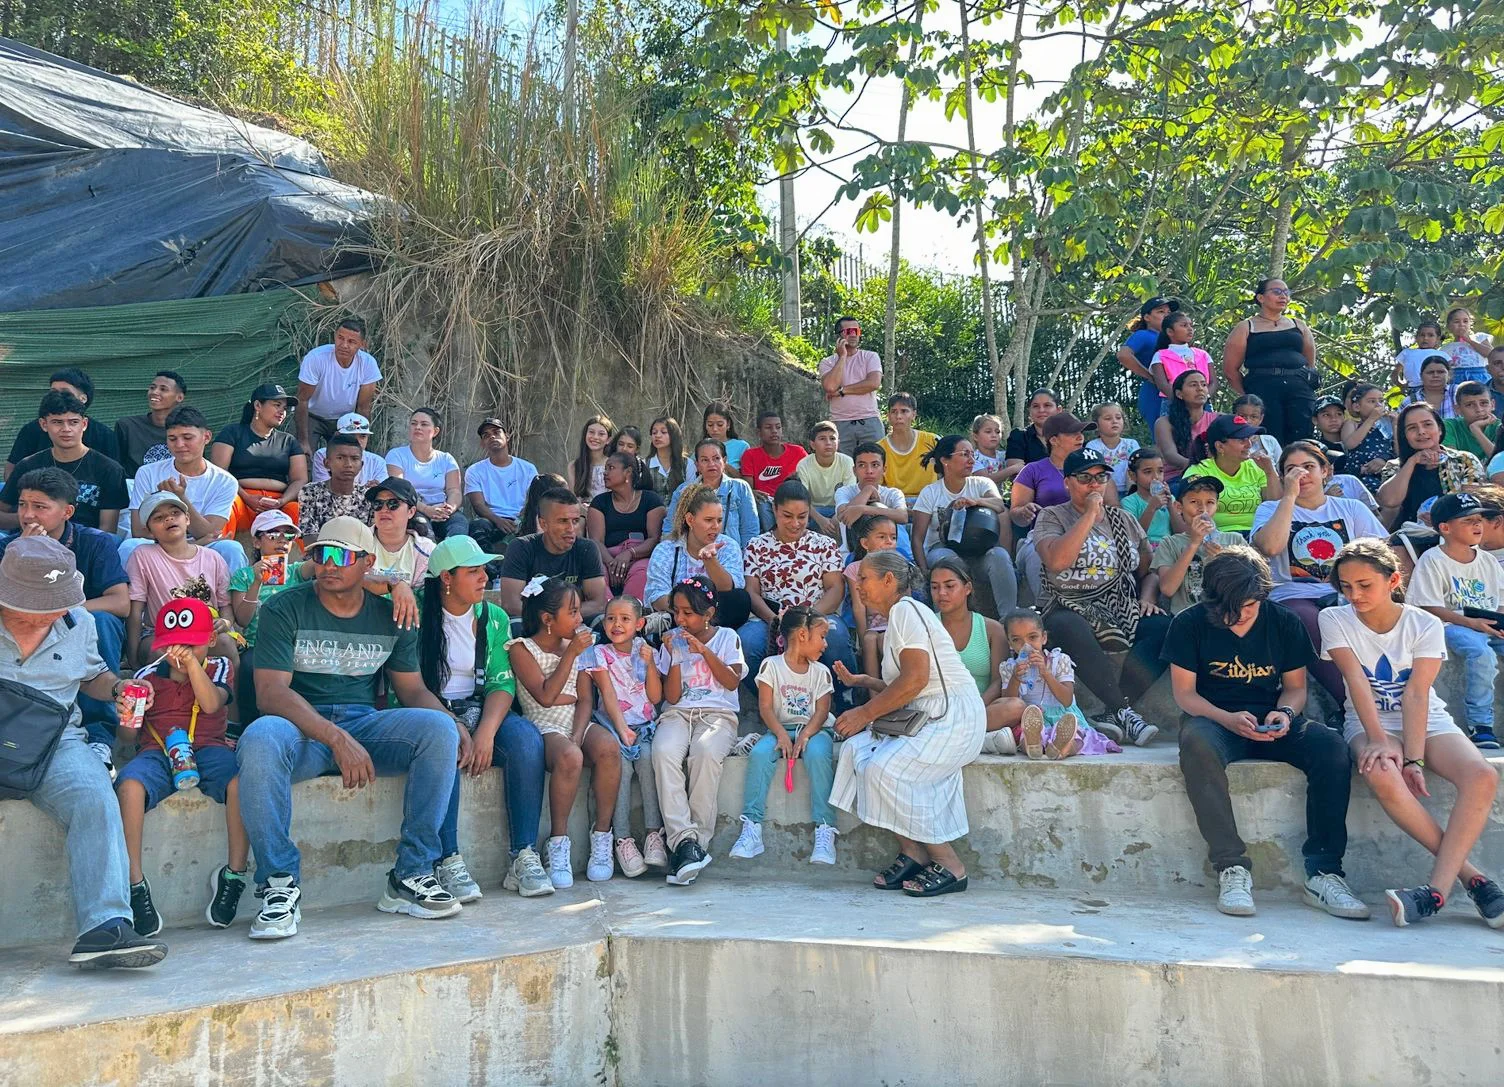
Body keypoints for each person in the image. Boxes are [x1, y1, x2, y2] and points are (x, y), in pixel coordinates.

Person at [236, 517, 466, 939]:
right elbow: (270, 693)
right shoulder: (284, 607)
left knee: (438, 730)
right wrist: (335, 738)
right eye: (321, 554)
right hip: (300, 727)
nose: (328, 564)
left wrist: (452, 722)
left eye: (341, 555)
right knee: (259, 737)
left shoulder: (393, 614)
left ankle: (410, 875)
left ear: (367, 562)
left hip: (364, 724)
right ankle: (279, 885)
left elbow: (412, 690)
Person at [1165, 546, 1369, 920]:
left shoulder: (1283, 621)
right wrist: (1226, 718)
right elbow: (1185, 695)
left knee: (1330, 747)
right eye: (1232, 608)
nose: (1242, 616)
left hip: (1271, 718)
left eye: (1250, 606)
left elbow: (1295, 688)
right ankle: (1232, 867)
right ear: (1210, 599)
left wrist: (1286, 713)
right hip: (1212, 718)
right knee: (1195, 744)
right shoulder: (1189, 623)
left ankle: (1324, 873)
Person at [0, 536, 166, 968]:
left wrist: (117, 688)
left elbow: (91, 675)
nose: (54, 613)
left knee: (95, 795)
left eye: (57, 603)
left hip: (54, 738)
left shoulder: (78, 621)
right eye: (40, 606)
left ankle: (105, 926)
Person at [1320, 539, 1504, 928]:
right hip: (1368, 721)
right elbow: (1355, 681)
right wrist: (1377, 739)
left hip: (1427, 719)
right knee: (1382, 773)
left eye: (1365, 585)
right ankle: (1473, 878)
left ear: (1393, 580)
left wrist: (1415, 759)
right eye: (1347, 586)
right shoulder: (1334, 619)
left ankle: (1435, 890)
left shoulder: (1425, 623)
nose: (1354, 595)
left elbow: (1417, 693)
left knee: (1483, 775)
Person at [829, 550, 986, 897]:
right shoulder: (899, 616)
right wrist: (865, 683)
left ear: (888, 580)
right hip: (930, 713)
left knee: (884, 768)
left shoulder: (905, 610)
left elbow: (916, 680)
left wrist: (863, 714)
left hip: (954, 719)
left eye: (865, 578)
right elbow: (910, 686)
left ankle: (950, 865)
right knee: (857, 753)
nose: (859, 585)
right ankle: (913, 851)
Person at [418, 536, 552, 900]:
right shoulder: (415, 611)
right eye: (473, 571)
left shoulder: (492, 617)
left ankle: (523, 854)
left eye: (484, 570)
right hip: (430, 711)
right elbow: (408, 687)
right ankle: (447, 859)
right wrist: (453, 724)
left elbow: (501, 682)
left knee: (526, 741)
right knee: (442, 744)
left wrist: (486, 734)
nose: (484, 578)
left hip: (480, 707)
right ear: (446, 578)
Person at [116, 597, 247, 936]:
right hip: (158, 752)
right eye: (174, 644)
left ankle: (234, 874)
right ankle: (134, 883)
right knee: (129, 785)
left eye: (191, 643)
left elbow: (210, 702)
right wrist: (133, 705)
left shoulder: (218, 668)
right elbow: (128, 738)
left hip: (206, 748)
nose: (180, 651)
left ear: (209, 641)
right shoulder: (147, 674)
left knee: (240, 782)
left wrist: (192, 667)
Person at [1032, 448, 1164, 745]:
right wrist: (1090, 515)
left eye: (1100, 477)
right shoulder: (1051, 516)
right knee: (1068, 627)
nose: (1094, 485)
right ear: (1068, 483)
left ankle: (1112, 711)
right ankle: (1124, 711)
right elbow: (1056, 562)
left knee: (1163, 628)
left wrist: (1146, 597)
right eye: (1084, 478)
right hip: (1068, 602)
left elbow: (1146, 567)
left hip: (1119, 603)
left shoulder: (1124, 519)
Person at [0, 468, 130, 760]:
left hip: (78, 628)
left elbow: (120, 603)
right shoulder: (7, 546)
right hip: (22, 633)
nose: (28, 515)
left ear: (67, 511)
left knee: (101, 621)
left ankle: (99, 735)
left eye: (40, 507)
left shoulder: (96, 542)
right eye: (23, 505)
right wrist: (24, 550)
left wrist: (56, 609)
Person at [1251, 441, 1387, 710]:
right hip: (1294, 595)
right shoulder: (1270, 509)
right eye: (1291, 469)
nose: (1301, 474)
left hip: (1347, 591)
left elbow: (1380, 553)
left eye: (1309, 467)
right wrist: (1288, 497)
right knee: (1311, 622)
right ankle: (1353, 706)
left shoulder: (1351, 508)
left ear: (1325, 471)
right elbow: (1269, 547)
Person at [507, 577, 622, 888]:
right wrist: (570, 656)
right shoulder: (521, 648)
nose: (580, 618)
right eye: (572, 612)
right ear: (548, 619)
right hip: (541, 725)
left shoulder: (576, 646)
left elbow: (584, 699)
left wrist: (578, 732)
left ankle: (602, 837)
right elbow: (544, 697)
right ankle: (557, 843)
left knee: (609, 748)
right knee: (570, 757)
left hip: (574, 723)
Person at [653, 576, 746, 886]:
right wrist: (678, 655)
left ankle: (697, 844)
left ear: (708, 613)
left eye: (688, 613)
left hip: (718, 715)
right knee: (664, 751)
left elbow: (732, 682)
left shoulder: (727, 636)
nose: (680, 620)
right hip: (678, 714)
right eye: (676, 612)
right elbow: (672, 697)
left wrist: (703, 650)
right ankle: (684, 841)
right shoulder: (673, 641)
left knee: (705, 753)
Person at [729, 606, 839, 865]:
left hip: (814, 729)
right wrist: (780, 734)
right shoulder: (771, 666)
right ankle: (752, 828)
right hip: (779, 729)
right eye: (821, 636)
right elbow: (765, 708)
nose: (825, 644)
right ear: (802, 635)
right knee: (759, 754)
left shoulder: (820, 672)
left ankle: (825, 829)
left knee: (818, 754)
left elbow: (822, 711)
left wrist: (805, 737)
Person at [574, 595, 667, 878]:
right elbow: (609, 695)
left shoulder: (644, 649)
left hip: (646, 726)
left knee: (650, 759)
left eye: (625, 619)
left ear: (639, 624)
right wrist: (622, 729)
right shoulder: (599, 654)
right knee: (621, 769)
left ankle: (654, 835)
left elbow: (655, 696)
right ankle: (623, 839)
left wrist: (650, 665)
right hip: (614, 726)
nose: (617, 624)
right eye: (611, 618)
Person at [1405, 492, 1504, 751]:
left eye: (1480, 519)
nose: (1477, 525)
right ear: (1445, 528)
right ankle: (1481, 725)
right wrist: (1472, 624)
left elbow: (1500, 600)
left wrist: (1499, 622)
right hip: (1451, 626)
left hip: (1487, 625)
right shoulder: (1433, 559)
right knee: (1481, 654)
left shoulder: (1489, 561)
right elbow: (1429, 606)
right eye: (1468, 520)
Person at [741, 480, 853, 686]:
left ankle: (842, 702)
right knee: (747, 643)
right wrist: (776, 621)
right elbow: (752, 592)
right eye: (787, 516)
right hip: (770, 618)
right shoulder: (756, 546)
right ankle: (767, 703)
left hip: (817, 615)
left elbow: (836, 589)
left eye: (802, 516)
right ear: (774, 510)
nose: (795, 523)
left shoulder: (824, 544)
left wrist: (807, 621)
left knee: (835, 640)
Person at [125, 406, 247, 575]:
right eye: (172, 439)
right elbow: (138, 530)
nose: (179, 445)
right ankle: (125, 600)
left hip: (202, 547)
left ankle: (237, 601)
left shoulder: (225, 481)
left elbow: (210, 533)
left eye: (187, 437)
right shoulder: (148, 472)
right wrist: (193, 542)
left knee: (231, 549)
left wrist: (180, 498)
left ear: (206, 437)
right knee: (130, 546)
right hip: (159, 545)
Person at [911, 435, 1017, 617]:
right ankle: (946, 623)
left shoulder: (982, 483)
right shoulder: (930, 493)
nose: (971, 460)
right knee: (946, 560)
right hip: (943, 549)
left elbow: (999, 505)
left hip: (981, 552)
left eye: (972, 454)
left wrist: (975, 501)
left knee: (1000, 555)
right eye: (964, 454)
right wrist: (925, 572)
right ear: (945, 461)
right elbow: (917, 537)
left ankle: (1009, 620)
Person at [993, 607, 1119, 760]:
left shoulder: (1059, 660)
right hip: (1032, 719)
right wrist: (1015, 678)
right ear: (1010, 643)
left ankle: (1061, 747)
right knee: (1023, 735)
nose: (1026, 645)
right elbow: (1008, 700)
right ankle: (1034, 745)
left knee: (1077, 737)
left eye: (1032, 637)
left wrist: (1046, 673)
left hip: (1062, 715)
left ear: (1043, 638)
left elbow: (1066, 699)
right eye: (1016, 640)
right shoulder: (1009, 667)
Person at [124, 492, 230, 668]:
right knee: (156, 651)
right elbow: (135, 611)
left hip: (204, 632)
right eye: (159, 517)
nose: (169, 519)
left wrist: (225, 622)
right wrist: (133, 657)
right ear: (149, 531)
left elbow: (226, 605)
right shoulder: (143, 555)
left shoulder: (213, 557)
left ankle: (228, 695)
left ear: (187, 519)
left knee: (226, 643)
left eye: (175, 513)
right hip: (162, 633)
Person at [0, 391, 128, 533]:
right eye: (57, 422)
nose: (66, 429)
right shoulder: (27, 466)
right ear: (44, 424)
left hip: (86, 545)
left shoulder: (109, 469)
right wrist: (33, 518)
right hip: (31, 541)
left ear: (84, 424)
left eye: (73, 422)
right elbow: (2, 513)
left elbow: (107, 529)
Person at [1221, 277, 1319, 446]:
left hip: (1299, 388)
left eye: (1286, 292)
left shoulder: (1298, 324)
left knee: (1302, 437)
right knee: (1269, 437)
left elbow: (1309, 361)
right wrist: (1249, 396)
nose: (1283, 296)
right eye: (1277, 292)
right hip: (1263, 388)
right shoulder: (1246, 326)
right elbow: (1231, 370)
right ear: (1261, 297)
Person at [227, 510, 299, 731]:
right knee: (248, 666)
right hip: (257, 644)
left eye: (288, 536)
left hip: (294, 643)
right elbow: (243, 619)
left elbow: (320, 565)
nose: (281, 540)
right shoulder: (244, 575)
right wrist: (257, 582)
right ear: (257, 542)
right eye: (273, 534)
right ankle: (248, 727)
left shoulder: (298, 571)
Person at [644, 482, 750, 627]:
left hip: (715, 620)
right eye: (708, 520)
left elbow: (728, 588)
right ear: (690, 520)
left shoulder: (728, 545)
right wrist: (691, 610)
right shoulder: (666, 550)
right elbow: (657, 596)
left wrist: (710, 560)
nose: (715, 526)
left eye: (719, 520)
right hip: (679, 618)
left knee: (740, 599)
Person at [1010, 414, 1092, 600]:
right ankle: (1048, 609)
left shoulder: (1094, 469)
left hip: (1088, 534)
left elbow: (1112, 507)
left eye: (1082, 432)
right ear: (1053, 440)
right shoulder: (1033, 470)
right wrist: (1024, 512)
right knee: (1036, 556)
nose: (1080, 437)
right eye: (1073, 433)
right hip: (1043, 537)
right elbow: (1014, 513)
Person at [210, 383, 308, 538]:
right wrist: (246, 497)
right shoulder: (232, 433)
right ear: (258, 405)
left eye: (284, 408)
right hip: (241, 498)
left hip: (278, 506)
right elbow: (219, 473)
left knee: (297, 509)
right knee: (228, 503)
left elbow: (300, 479)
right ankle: (219, 554)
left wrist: (282, 501)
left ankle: (306, 561)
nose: (282, 411)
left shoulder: (288, 441)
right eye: (277, 405)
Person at [498, 487, 609, 622]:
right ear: (543, 523)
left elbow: (598, 604)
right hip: (534, 622)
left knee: (603, 622)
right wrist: (550, 619)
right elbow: (511, 605)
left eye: (575, 521)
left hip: (573, 620)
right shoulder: (521, 548)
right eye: (563, 521)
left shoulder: (587, 548)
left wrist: (561, 618)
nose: (571, 528)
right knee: (515, 625)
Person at [1377, 402, 1486, 527]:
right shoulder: (1394, 466)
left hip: (1453, 533)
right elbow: (1389, 502)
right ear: (1404, 435)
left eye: (1427, 424)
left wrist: (1441, 517)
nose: (1421, 432)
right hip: (1407, 536)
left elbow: (1471, 505)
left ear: (1439, 429)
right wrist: (1411, 462)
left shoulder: (1464, 460)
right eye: (1412, 428)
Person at [1150, 476, 1245, 615]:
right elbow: (1167, 589)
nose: (1203, 509)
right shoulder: (1169, 543)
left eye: (1210, 502)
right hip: (1187, 619)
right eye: (1194, 502)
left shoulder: (1235, 540)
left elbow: (1248, 584)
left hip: (1227, 615)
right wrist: (1193, 544)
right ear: (1178, 507)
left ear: (1217, 506)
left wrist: (1225, 560)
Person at [3, 367, 120, 479]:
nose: (66, 429)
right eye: (53, 392)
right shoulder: (31, 430)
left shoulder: (104, 435)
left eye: (65, 392)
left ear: (83, 399)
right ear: (44, 425)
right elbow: (12, 468)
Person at [1182, 414, 1281, 535]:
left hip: (1257, 536)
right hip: (1216, 537)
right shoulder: (1200, 472)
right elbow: (1193, 516)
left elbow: (1274, 507)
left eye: (1249, 438)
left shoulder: (1256, 467)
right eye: (1241, 440)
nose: (1249, 444)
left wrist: (1270, 471)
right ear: (1220, 446)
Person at [587, 451, 664, 601]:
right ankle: (604, 613)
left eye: (611, 468)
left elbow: (654, 539)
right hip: (607, 557)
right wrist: (612, 564)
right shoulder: (599, 502)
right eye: (605, 468)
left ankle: (631, 614)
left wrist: (629, 553)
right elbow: (596, 541)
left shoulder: (651, 500)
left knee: (643, 570)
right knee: (597, 571)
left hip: (639, 556)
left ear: (627, 472)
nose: (605, 473)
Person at [296, 317, 380, 451]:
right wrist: (303, 441)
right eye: (340, 338)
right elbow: (302, 400)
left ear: (362, 345)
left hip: (345, 418)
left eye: (352, 341)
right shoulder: (316, 358)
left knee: (346, 457)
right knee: (302, 456)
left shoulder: (368, 364)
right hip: (311, 415)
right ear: (335, 337)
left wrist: (359, 441)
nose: (344, 345)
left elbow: (363, 407)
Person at [929, 556, 1006, 701]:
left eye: (949, 586)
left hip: (980, 708)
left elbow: (999, 681)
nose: (941, 593)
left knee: (1014, 706)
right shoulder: (925, 625)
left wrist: (977, 708)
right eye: (934, 587)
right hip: (938, 707)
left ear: (967, 588)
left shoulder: (992, 629)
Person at [385, 407, 467, 540]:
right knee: (424, 531)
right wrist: (426, 509)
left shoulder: (446, 459)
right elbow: (398, 490)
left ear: (435, 431)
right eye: (413, 423)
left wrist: (449, 508)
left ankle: (456, 558)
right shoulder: (396, 455)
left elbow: (454, 491)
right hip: (413, 509)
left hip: (441, 508)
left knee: (459, 526)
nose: (417, 427)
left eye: (424, 424)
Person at [665, 439, 759, 550]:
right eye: (704, 460)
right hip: (691, 557)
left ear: (724, 461)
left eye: (716, 458)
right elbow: (670, 528)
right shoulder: (684, 491)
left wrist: (743, 559)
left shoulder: (740, 488)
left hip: (729, 557)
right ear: (697, 465)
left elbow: (750, 531)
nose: (711, 464)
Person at [465, 417, 539, 554]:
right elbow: (478, 505)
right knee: (478, 526)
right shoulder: (474, 471)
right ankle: (489, 569)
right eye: (486, 435)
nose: (492, 436)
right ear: (482, 443)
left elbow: (533, 500)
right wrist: (498, 521)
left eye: (496, 432)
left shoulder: (527, 469)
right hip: (492, 520)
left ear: (507, 436)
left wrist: (519, 521)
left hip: (522, 519)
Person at [819, 315, 885, 455]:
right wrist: (842, 356)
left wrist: (842, 391)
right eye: (849, 331)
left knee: (875, 465)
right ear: (839, 336)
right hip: (840, 422)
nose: (854, 335)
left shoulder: (870, 356)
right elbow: (830, 387)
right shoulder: (828, 362)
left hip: (869, 420)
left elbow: (874, 383)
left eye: (856, 331)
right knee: (844, 470)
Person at [833, 442, 912, 557]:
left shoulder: (893, 493)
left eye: (875, 465)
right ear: (854, 470)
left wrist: (864, 509)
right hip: (853, 554)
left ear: (884, 469)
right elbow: (844, 516)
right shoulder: (845, 491)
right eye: (862, 465)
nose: (869, 471)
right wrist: (867, 490)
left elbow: (903, 516)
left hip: (890, 553)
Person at [848, 514, 899, 678]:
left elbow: (904, 602)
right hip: (871, 626)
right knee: (869, 641)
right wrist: (862, 637)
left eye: (893, 537)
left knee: (885, 639)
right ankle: (874, 695)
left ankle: (893, 692)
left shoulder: (900, 566)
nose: (889, 541)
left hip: (894, 625)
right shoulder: (854, 569)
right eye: (882, 537)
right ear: (865, 543)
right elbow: (858, 606)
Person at [1116, 296, 1178, 429]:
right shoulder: (1143, 335)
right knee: (1164, 437)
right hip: (1155, 394)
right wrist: (1151, 377)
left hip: (1175, 391)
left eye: (1169, 313)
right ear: (1147, 317)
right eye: (1161, 312)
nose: (1167, 316)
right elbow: (1123, 355)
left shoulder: (1174, 339)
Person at [114, 370, 187, 478]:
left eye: (163, 389)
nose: (155, 392)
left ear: (179, 397)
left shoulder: (187, 430)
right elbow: (116, 467)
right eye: (152, 387)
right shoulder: (128, 426)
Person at [297, 435, 369, 544]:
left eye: (354, 459)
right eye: (340, 458)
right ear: (327, 463)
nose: (348, 464)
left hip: (359, 558)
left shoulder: (367, 496)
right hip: (321, 557)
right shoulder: (310, 492)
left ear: (361, 465)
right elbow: (309, 537)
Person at [794, 420, 856, 534]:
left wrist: (837, 517)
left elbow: (850, 496)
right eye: (822, 439)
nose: (828, 443)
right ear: (812, 444)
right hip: (813, 511)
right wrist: (820, 520)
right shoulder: (803, 465)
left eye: (832, 438)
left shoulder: (847, 462)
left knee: (854, 516)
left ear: (838, 442)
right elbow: (802, 498)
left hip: (840, 510)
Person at [1154, 370, 1217, 481]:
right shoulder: (1164, 423)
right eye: (1193, 385)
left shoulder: (1219, 419)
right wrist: (1200, 469)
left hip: (1214, 475)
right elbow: (1170, 455)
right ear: (1179, 394)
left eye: (1203, 384)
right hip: (1178, 478)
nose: (1200, 388)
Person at [740, 410, 807, 512]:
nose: (774, 431)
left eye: (778, 427)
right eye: (768, 427)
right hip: (765, 502)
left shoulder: (798, 452)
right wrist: (753, 493)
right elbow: (749, 489)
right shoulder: (750, 455)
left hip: (791, 501)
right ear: (759, 432)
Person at [1149, 310, 1216, 408]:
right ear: (1170, 331)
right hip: (1173, 404)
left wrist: (1204, 397)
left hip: (1203, 405)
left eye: (1191, 325)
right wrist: (1181, 400)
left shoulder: (1203, 355)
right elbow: (1162, 385)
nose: (1190, 329)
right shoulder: (1160, 356)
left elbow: (1213, 382)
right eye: (1184, 325)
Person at [879, 392, 939, 500]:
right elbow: (877, 486)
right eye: (894, 412)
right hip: (894, 503)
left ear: (914, 414)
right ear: (888, 416)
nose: (898, 416)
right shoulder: (879, 448)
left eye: (904, 411)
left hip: (930, 500)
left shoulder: (933, 441)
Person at [1341, 382, 1395, 495]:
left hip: (1388, 472)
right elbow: (1350, 444)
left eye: (1381, 401)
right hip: (1362, 474)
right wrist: (1371, 420)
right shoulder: (1352, 424)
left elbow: (1399, 451)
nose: (1378, 405)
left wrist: (1396, 426)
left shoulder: (1388, 425)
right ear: (1357, 407)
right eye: (1372, 401)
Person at [309, 412, 387, 486]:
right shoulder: (322, 455)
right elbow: (323, 489)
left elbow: (383, 492)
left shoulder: (378, 461)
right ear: (337, 435)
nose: (358, 441)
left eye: (363, 436)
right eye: (351, 436)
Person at [1001, 388, 1061, 484]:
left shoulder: (1069, 436)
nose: (1041, 410)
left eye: (1047, 405)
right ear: (1030, 411)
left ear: (1058, 410)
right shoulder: (1019, 437)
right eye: (1036, 406)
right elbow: (1018, 476)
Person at [1085, 402, 1139, 495]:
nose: (1114, 421)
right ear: (1096, 424)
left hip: (1131, 490)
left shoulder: (1131, 444)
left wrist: (1131, 496)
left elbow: (1136, 469)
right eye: (1108, 418)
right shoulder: (1092, 446)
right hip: (1103, 492)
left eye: (1118, 417)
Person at [1121, 449, 1171, 545]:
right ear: (1132, 475)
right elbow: (1135, 535)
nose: (1155, 477)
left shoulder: (1169, 498)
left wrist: (1171, 506)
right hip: (1145, 549)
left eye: (1160, 471)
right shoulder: (1129, 502)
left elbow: (1180, 532)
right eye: (1148, 472)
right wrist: (1151, 507)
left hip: (1170, 546)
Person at [1442, 381, 1500, 460]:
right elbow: (1453, 461)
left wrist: (1476, 430)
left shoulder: (1499, 427)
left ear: (1492, 405)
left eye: (1484, 403)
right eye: (1469, 405)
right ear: (1458, 409)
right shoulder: (1449, 426)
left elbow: (1499, 461)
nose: (1479, 410)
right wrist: (1475, 428)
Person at [1442, 306, 1494, 385]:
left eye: (1465, 321)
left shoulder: (1480, 338)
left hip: (1480, 377)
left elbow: (1491, 354)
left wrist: (1469, 340)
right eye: (1456, 322)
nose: (1461, 324)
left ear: (1470, 323)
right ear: (1449, 326)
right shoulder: (1445, 349)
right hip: (1457, 380)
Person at [1392, 318, 1444, 397]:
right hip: (1413, 389)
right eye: (1422, 335)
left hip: (1436, 389)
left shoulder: (1441, 355)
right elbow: (1395, 372)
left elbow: (1450, 372)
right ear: (1416, 337)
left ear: (1437, 339)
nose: (1425, 338)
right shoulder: (1407, 353)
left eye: (1430, 335)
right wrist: (1400, 385)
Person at [567, 414, 614, 501]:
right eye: (591, 432)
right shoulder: (574, 466)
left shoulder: (613, 465)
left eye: (601, 434)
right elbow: (573, 500)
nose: (595, 437)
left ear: (608, 440)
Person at [646, 415, 695, 496]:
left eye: (663, 432)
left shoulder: (688, 464)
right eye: (654, 432)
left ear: (674, 435)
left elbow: (690, 496)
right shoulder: (645, 464)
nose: (657, 436)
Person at [1230, 395, 1284, 463]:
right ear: (1233, 416)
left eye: (1253, 417)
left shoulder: (1270, 442)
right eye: (1242, 416)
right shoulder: (1228, 443)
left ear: (1261, 418)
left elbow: (1282, 470)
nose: (1248, 421)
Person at [701, 402, 749, 476]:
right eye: (710, 425)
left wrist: (724, 465)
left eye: (720, 424)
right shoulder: (701, 449)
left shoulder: (742, 447)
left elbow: (747, 481)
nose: (715, 429)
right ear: (705, 425)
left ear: (728, 424)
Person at [1405, 354, 1459, 418]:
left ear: (1449, 374)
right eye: (1430, 372)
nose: (1435, 375)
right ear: (1421, 376)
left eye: (1440, 372)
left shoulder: (1459, 392)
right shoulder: (1409, 402)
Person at [1311, 395, 1350, 475]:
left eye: (1339, 414)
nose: (1333, 419)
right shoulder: (1316, 451)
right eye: (1326, 415)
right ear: (1315, 420)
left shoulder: (1358, 441)